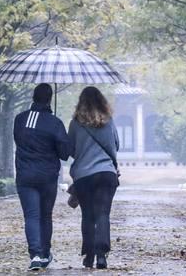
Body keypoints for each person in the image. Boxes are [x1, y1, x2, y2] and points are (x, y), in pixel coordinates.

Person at [14, 83, 71, 271]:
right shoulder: (54, 123)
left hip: (25, 176)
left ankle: (35, 254)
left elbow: (20, 142)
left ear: (33, 97)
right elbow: (64, 153)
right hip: (47, 177)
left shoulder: (20, 120)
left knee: (31, 215)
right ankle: (46, 253)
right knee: (45, 216)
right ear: (49, 99)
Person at [68, 86, 119, 270]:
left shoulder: (75, 123)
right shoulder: (109, 121)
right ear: (101, 101)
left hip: (83, 176)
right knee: (103, 213)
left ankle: (89, 255)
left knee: (88, 215)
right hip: (106, 173)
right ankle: (102, 255)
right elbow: (115, 146)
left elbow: (70, 149)